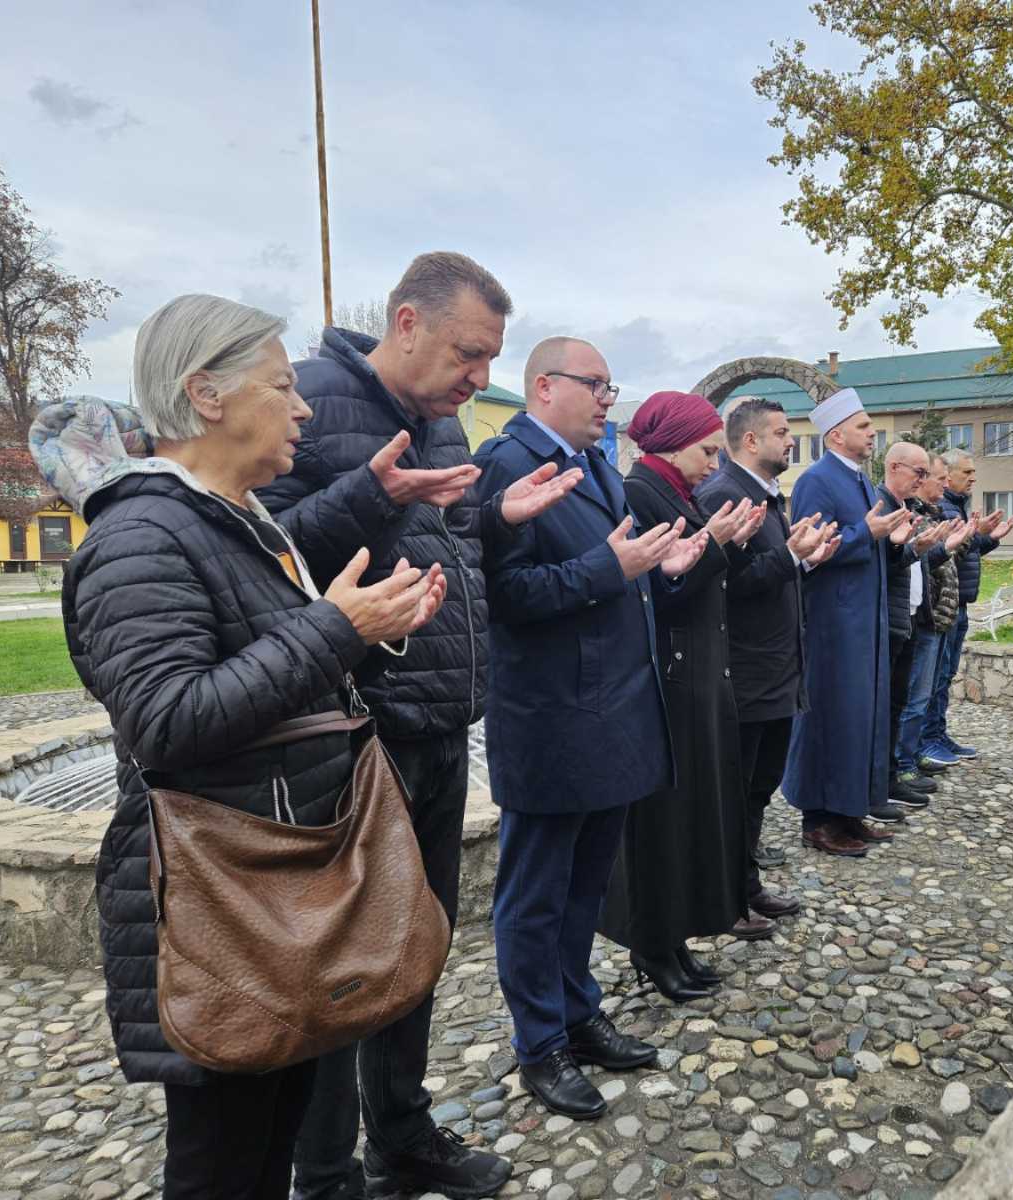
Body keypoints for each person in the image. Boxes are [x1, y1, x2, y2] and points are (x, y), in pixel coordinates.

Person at [35, 295, 447, 1200]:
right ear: (206, 395)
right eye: (282, 386)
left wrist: (367, 625)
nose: (302, 409)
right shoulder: (140, 536)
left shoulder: (234, 521)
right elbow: (167, 720)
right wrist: (337, 628)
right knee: (223, 1165)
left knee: (268, 1147)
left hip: (275, 893)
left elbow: (270, 669)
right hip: (225, 908)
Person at [258, 253, 579, 1200]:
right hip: (357, 739)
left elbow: (454, 542)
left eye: (490, 360)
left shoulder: (442, 425)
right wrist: (374, 493)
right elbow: (263, 553)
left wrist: (504, 519)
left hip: (439, 728)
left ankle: (402, 1133)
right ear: (406, 323)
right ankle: (324, 1173)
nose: (481, 378)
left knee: (417, 950)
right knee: (346, 969)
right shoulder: (311, 399)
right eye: (469, 353)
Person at [475, 338, 709, 1120]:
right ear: (543, 387)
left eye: (612, 386)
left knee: (582, 887)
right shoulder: (510, 465)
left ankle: (578, 1012)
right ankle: (538, 1043)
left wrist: (653, 567)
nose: (610, 399)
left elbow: (613, 568)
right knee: (536, 893)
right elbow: (504, 598)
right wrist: (612, 571)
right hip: (552, 718)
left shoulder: (598, 462)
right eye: (596, 384)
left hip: (608, 713)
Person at [597, 390, 773, 997]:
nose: (711, 462)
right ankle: (653, 945)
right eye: (705, 449)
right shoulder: (641, 493)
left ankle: (675, 939)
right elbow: (658, 594)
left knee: (691, 817)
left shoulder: (674, 491)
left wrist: (726, 546)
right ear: (673, 443)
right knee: (661, 825)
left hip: (697, 675)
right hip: (670, 680)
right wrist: (718, 547)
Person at [693, 400, 836, 938]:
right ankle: (723, 897)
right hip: (744, 674)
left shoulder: (765, 497)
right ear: (750, 441)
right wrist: (791, 559)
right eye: (781, 432)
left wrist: (804, 561)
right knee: (735, 791)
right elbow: (723, 585)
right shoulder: (724, 495)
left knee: (757, 790)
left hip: (775, 671)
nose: (791, 441)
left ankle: (746, 884)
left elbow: (767, 577)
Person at [782, 388, 913, 855]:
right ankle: (818, 819)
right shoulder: (817, 480)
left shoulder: (860, 480)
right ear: (836, 435)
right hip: (833, 624)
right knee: (830, 718)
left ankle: (849, 811)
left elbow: (868, 540)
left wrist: (891, 540)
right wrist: (867, 533)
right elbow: (813, 551)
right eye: (862, 426)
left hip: (864, 621)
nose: (871, 431)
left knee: (860, 717)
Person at [920, 449, 1013, 765]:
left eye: (973, 472)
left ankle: (938, 733)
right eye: (966, 472)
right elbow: (950, 551)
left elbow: (967, 551)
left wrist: (988, 538)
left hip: (959, 602)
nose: (972, 478)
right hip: (945, 603)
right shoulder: (944, 507)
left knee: (945, 675)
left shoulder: (957, 505)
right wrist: (978, 535)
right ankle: (928, 739)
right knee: (935, 677)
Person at [893, 454, 972, 795]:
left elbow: (933, 559)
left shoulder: (933, 514)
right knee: (912, 697)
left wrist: (966, 538)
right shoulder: (909, 514)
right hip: (923, 617)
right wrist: (947, 544)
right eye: (930, 476)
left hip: (936, 614)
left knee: (925, 693)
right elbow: (920, 560)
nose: (939, 483)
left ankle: (913, 755)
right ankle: (904, 763)